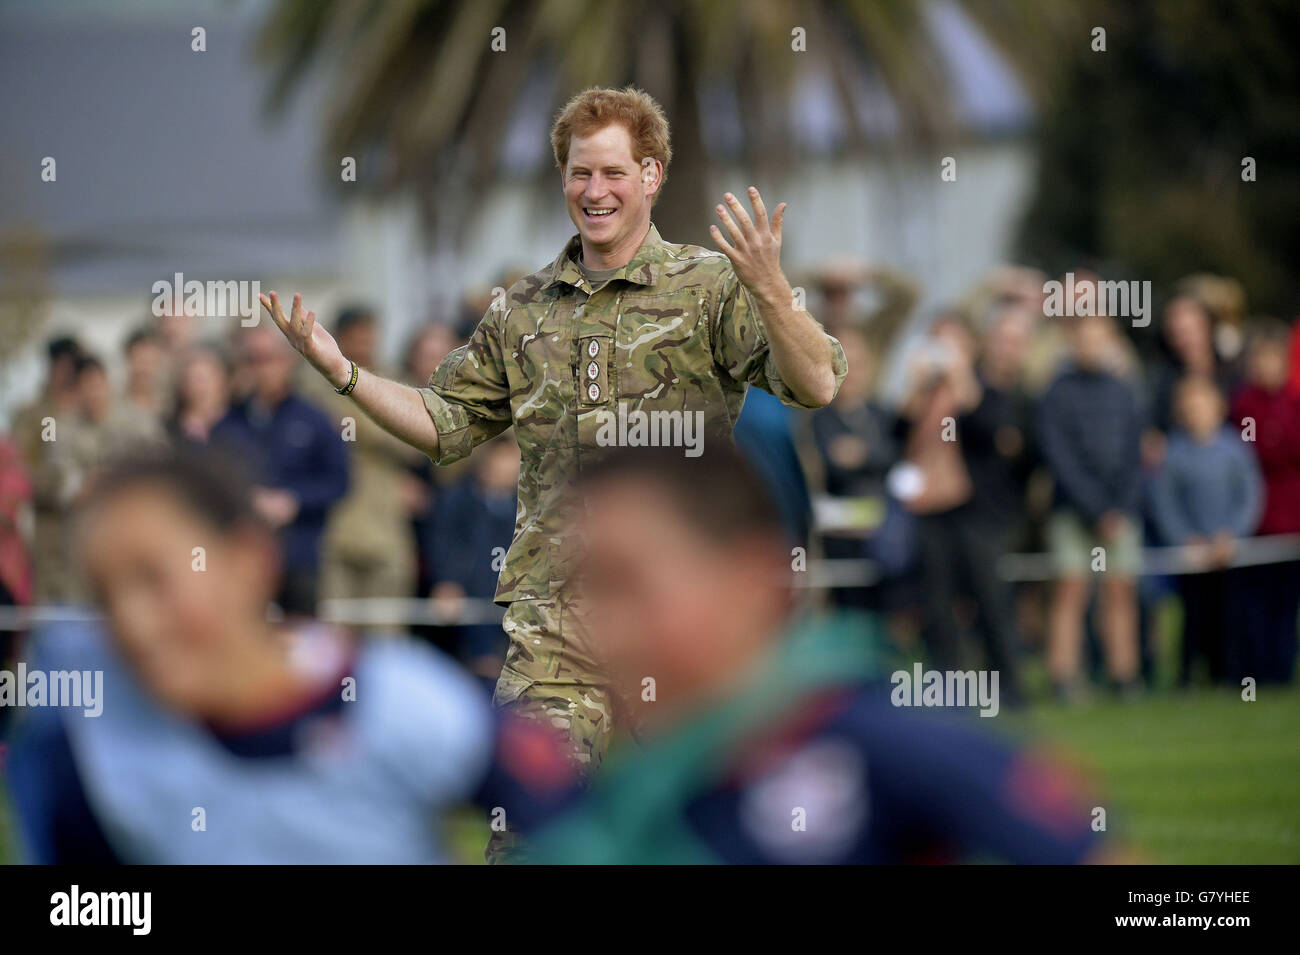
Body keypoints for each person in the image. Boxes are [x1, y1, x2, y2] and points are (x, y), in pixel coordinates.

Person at [254, 87, 846, 800]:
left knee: (694, 824)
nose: (594, 191)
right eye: (578, 173)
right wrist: (344, 373)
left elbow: (817, 383)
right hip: (552, 622)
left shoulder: (710, 286)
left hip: (676, 615)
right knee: (530, 819)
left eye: (613, 173)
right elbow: (445, 424)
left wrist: (773, 292)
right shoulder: (521, 307)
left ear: (652, 176)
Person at [528, 445, 1119, 864]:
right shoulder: (627, 803)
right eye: (585, 589)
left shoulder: (882, 743)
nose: (604, 628)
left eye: (626, 584)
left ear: (757, 578)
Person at [3, 449, 577, 864]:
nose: (131, 622)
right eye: (105, 595)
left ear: (249, 560)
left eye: (154, 580)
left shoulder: (396, 700)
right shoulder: (88, 748)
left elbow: (591, 830)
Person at [1037, 315, 1145, 700]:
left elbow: (1137, 453)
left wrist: (1118, 508)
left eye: (1099, 339)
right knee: (1071, 590)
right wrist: (1095, 509)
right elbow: (1057, 455)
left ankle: (1124, 677)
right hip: (1073, 511)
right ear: (1072, 342)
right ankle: (1064, 678)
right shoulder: (1056, 393)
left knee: (1120, 591)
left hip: (1121, 511)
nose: (1091, 346)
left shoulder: (1125, 391)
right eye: (1084, 339)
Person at [209, 324, 349, 617]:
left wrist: (294, 500)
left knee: (302, 644)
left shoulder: (314, 420)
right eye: (252, 360)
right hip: (242, 557)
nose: (261, 369)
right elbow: (210, 481)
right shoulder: (226, 425)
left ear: (287, 362)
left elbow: (339, 481)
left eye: (268, 358)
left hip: (299, 555)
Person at [309, 307, 424, 627]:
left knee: (386, 640)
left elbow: (418, 439)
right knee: (335, 638)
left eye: (369, 337)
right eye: (356, 337)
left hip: (386, 530)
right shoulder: (316, 386)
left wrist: (360, 406)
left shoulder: (396, 383)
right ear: (339, 338)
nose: (364, 344)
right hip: (335, 533)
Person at [1148, 376, 1263, 684]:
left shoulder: (1235, 448)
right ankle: (1186, 676)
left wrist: (1233, 535)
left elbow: (1249, 495)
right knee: (1193, 615)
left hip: (1229, 550)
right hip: (1191, 550)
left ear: (1217, 407)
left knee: (1231, 613)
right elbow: (1165, 500)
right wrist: (1185, 538)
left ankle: (1229, 674)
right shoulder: (1175, 452)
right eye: (1190, 406)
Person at [1229, 320, 1300, 683]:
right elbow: (1243, 457)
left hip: (1291, 521)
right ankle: (1251, 673)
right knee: (1254, 603)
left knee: (1286, 604)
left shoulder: (1293, 403)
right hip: (1253, 519)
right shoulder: (1243, 404)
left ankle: (1281, 671)